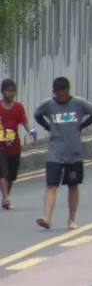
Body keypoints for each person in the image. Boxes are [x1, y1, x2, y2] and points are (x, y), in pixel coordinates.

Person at [33, 77, 92, 230]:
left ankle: (72, 219)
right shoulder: (48, 104)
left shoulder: (78, 103)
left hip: (74, 152)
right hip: (55, 151)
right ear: (54, 93)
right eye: (59, 95)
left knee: (73, 185)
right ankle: (47, 218)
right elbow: (37, 114)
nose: (62, 98)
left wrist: (81, 126)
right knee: (51, 184)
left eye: (65, 95)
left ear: (69, 91)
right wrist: (48, 127)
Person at [0, 79, 35, 211]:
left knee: (11, 175)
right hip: (1, 145)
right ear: (2, 91)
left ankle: (5, 197)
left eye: (12, 91)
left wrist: (31, 133)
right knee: (3, 172)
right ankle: (6, 198)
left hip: (14, 145)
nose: (10, 93)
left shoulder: (18, 107)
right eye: (8, 91)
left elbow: (25, 122)